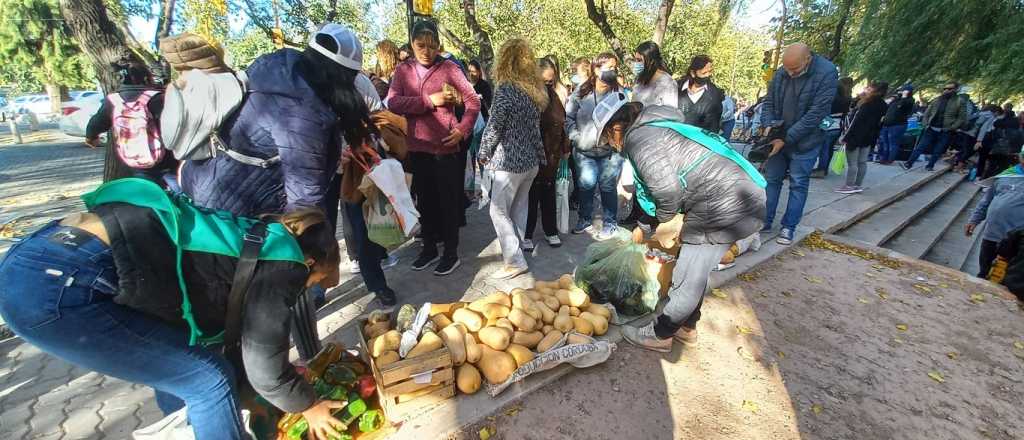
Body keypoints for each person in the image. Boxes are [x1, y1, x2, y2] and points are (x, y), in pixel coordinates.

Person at [0, 186, 345, 440]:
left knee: (186, 365)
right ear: (309, 262)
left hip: (37, 257)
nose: (304, 287)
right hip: (57, 285)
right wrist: (307, 406)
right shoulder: (284, 262)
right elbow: (265, 368)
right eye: (312, 280)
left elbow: (232, 341)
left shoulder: (255, 236)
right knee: (208, 381)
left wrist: (254, 397)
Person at [602, 101, 766, 352]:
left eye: (607, 140)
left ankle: (660, 334)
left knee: (686, 276)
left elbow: (667, 192)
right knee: (694, 271)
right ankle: (687, 328)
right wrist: (647, 224)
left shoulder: (639, 137)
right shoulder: (658, 128)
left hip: (722, 203)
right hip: (733, 194)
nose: (612, 147)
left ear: (616, 128)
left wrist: (656, 222)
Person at [181, 24, 370, 218]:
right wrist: (311, 242)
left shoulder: (274, 70)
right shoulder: (302, 114)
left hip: (202, 184)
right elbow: (303, 203)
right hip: (229, 212)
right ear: (342, 76)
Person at [387, 20, 481, 276]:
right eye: (420, 46)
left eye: (431, 46)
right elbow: (393, 102)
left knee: (448, 204)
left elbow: (473, 101)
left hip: (446, 150)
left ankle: (451, 253)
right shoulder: (402, 71)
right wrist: (430, 100)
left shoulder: (449, 68)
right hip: (417, 148)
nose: (426, 51)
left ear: (439, 46)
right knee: (425, 203)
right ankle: (428, 249)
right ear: (412, 44)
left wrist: (462, 130)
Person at [477, 39, 548, 280]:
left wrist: (483, 154)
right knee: (519, 208)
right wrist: (541, 157)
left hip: (509, 165)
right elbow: (535, 131)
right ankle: (519, 250)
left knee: (498, 211)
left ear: (504, 61)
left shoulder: (506, 89)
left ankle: (514, 260)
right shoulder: (534, 92)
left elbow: (494, 128)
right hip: (530, 163)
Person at [760, 43, 839, 245]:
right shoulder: (782, 72)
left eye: (794, 69)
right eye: (786, 68)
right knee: (771, 180)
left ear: (807, 59)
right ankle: (763, 221)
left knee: (798, 183)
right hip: (778, 136)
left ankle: (788, 226)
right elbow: (769, 103)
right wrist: (769, 125)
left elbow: (816, 113)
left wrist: (786, 138)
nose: (789, 72)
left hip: (806, 141)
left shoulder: (827, 73)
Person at [85, 61, 179, 191]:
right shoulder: (157, 98)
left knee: (147, 193)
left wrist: (91, 138)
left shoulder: (113, 101)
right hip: (166, 159)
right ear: (147, 77)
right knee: (179, 192)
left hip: (135, 160)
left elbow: (95, 124)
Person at [565, 52, 625, 239]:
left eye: (615, 68)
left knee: (607, 186)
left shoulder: (620, 94)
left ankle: (610, 223)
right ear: (596, 69)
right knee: (586, 185)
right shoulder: (581, 92)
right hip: (584, 151)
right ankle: (584, 219)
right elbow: (568, 117)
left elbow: (626, 121)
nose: (612, 71)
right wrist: (576, 137)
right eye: (609, 68)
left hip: (610, 153)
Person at [525, 57, 571, 252]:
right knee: (530, 196)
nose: (549, 84)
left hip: (552, 155)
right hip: (533, 156)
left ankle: (550, 230)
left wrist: (565, 147)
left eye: (552, 80)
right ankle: (526, 233)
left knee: (548, 194)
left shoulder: (554, 97)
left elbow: (562, 123)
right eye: (546, 81)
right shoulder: (527, 97)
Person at [966, 147, 1024, 279]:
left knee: (1006, 276)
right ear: (1020, 157)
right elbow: (987, 200)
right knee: (984, 270)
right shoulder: (1006, 176)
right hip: (992, 234)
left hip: (1016, 241)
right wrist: (974, 220)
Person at [901, 81, 970, 171]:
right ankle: (909, 163)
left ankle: (930, 166)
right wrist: (925, 123)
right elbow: (927, 113)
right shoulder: (937, 99)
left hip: (945, 130)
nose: (946, 90)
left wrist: (952, 127)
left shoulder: (959, 102)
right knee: (920, 147)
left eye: (949, 89)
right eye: (945, 88)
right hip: (931, 128)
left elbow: (962, 118)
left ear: (955, 90)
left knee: (938, 150)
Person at [835, 81, 889, 194]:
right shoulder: (883, 105)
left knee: (852, 163)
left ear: (875, 91)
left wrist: (845, 137)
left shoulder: (867, 104)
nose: (866, 89)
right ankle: (857, 185)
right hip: (869, 137)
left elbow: (855, 122)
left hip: (856, 136)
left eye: (869, 88)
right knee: (862, 162)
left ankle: (849, 185)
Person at [811, 77, 853, 177]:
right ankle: (824, 168)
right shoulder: (847, 97)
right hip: (838, 124)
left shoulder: (834, 96)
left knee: (823, 147)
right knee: (829, 148)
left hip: (828, 121)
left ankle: (821, 169)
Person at [676, 55, 723, 132]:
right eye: (704, 73)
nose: (708, 75)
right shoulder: (676, 88)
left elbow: (713, 127)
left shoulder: (715, 96)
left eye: (710, 72)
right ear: (693, 73)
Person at [629, 41, 677, 108]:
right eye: (635, 60)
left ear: (651, 61)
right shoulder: (639, 80)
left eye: (639, 60)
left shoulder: (668, 83)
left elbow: (670, 112)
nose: (636, 63)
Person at [877, 85, 915, 165]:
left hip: (897, 125)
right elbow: (889, 108)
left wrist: (904, 96)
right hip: (887, 124)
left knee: (893, 143)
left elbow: (900, 105)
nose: (899, 92)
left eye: (902, 91)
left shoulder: (909, 100)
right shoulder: (896, 99)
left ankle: (890, 159)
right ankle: (883, 158)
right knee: (884, 142)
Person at [954, 104, 997, 173]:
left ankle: (957, 165)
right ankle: (958, 167)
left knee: (965, 150)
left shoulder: (979, 112)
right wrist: (979, 140)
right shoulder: (990, 116)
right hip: (975, 135)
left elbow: (969, 119)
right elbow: (984, 129)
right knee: (969, 151)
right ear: (994, 111)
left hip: (967, 133)